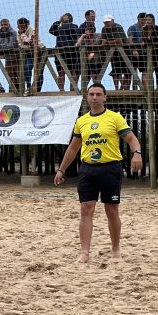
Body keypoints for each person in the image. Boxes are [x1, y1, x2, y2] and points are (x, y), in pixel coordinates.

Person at [54, 83, 142, 263]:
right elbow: (73, 148)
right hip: (88, 169)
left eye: (98, 94)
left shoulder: (114, 118)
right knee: (86, 209)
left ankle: (116, 251)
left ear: (104, 97)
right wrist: (61, 169)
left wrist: (137, 153)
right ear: (87, 97)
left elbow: (131, 138)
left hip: (110, 168)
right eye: (91, 94)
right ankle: (84, 252)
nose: (94, 97)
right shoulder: (82, 121)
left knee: (111, 210)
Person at [49, 13, 81, 91]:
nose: (64, 18)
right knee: (61, 72)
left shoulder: (73, 26)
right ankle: (61, 90)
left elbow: (74, 34)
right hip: (60, 52)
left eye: (65, 17)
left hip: (71, 52)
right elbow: (51, 30)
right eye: (63, 17)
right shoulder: (59, 27)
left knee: (73, 71)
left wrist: (62, 23)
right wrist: (59, 21)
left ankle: (73, 89)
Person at [101, 15, 130, 90]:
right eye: (105, 22)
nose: (107, 24)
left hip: (125, 52)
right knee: (115, 72)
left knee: (127, 72)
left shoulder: (118, 27)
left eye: (108, 22)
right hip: (113, 53)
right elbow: (103, 42)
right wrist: (112, 42)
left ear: (112, 21)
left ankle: (123, 88)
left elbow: (119, 41)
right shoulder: (104, 29)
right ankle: (117, 89)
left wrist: (108, 42)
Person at [16, 17, 45, 93]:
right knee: (27, 68)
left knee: (39, 71)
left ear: (27, 24)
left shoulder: (32, 30)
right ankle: (29, 87)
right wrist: (25, 42)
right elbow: (20, 45)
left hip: (40, 51)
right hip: (29, 53)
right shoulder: (18, 32)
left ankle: (37, 90)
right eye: (19, 26)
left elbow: (29, 42)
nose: (21, 28)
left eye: (23, 26)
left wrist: (22, 35)